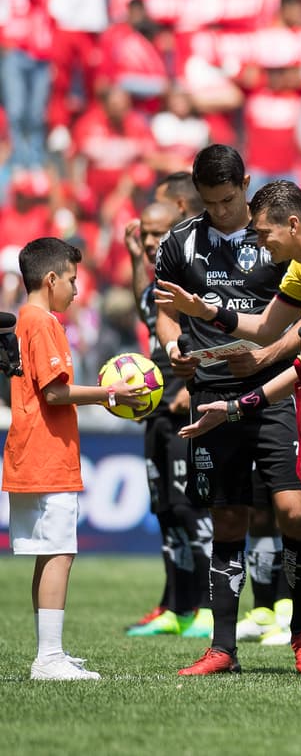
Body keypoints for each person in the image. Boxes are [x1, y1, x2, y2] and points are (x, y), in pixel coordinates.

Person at [156, 179, 301, 676]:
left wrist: (241, 401)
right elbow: (269, 327)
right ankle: (223, 648)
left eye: (261, 232)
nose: (256, 242)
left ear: (291, 224)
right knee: (230, 517)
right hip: (254, 390)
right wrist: (206, 311)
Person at [4, 237, 150, 679]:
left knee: (50, 553)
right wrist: (111, 393)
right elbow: (54, 392)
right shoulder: (41, 322)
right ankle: (48, 658)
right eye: (71, 280)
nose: (77, 289)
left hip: (31, 451)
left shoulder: (25, 319)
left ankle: (50, 651)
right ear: (51, 280)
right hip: (45, 453)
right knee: (59, 553)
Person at [123, 201, 212, 638]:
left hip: (186, 406)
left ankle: (208, 608)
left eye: (158, 233)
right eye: (146, 234)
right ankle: (177, 607)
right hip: (156, 410)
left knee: (190, 508)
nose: (150, 241)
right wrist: (133, 258)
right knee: (165, 511)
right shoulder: (158, 285)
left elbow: (219, 333)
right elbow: (146, 309)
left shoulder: (195, 279)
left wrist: (197, 387)